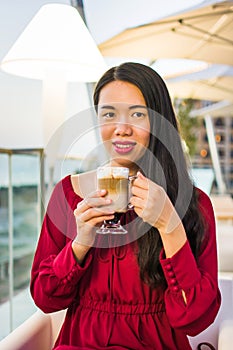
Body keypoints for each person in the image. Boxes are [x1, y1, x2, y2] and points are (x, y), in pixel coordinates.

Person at [30, 62, 221, 350]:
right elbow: (45, 299)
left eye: (137, 114)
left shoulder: (195, 205)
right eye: (109, 114)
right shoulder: (69, 194)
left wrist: (169, 224)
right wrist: (80, 243)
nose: (121, 129)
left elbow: (195, 320)